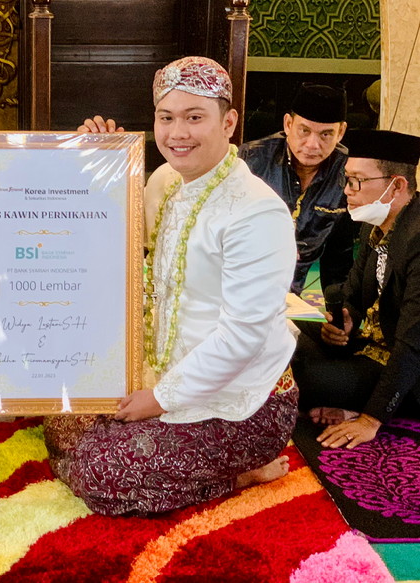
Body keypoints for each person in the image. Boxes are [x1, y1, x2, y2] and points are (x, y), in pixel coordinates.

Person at [45, 57, 299, 516]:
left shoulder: (255, 211)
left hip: (243, 404)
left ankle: (239, 474)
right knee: (60, 425)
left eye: (194, 117)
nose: (177, 133)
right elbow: (115, 258)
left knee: (99, 473)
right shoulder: (173, 187)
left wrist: (159, 400)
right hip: (166, 374)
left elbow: (243, 335)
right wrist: (99, 162)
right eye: (166, 118)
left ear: (228, 123)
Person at [292, 129, 420, 449]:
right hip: (370, 344)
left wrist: (370, 419)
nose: (347, 190)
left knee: (302, 375)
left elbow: (412, 343)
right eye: (346, 179)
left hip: (404, 366)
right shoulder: (374, 226)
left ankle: (379, 405)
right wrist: (344, 320)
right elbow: (352, 292)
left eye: (357, 181)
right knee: (289, 335)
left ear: (397, 186)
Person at [238, 83, 353, 294]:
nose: (312, 145)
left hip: (293, 293)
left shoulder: (347, 171)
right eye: (304, 131)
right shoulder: (250, 161)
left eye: (326, 134)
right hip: (242, 280)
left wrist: (338, 307)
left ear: (341, 132)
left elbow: (339, 255)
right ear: (288, 124)